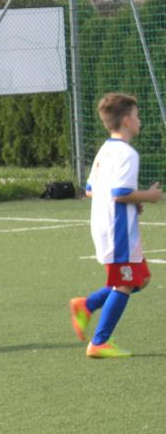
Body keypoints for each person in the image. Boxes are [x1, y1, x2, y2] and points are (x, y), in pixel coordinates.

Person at [69, 93, 162, 358]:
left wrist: (134, 202)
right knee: (125, 283)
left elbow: (91, 189)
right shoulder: (127, 153)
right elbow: (120, 193)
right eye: (137, 116)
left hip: (107, 223)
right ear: (127, 120)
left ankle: (87, 305)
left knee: (141, 278)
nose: (139, 120)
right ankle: (99, 342)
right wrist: (148, 196)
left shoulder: (105, 150)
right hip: (117, 230)